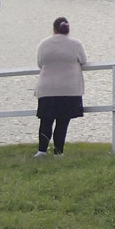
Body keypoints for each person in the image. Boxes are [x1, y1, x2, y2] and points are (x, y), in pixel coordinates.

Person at [33, 16, 87, 157]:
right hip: (69, 89)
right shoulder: (76, 44)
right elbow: (83, 60)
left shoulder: (44, 44)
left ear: (54, 29)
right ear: (68, 30)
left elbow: (40, 63)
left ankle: (42, 150)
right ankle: (58, 151)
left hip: (47, 88)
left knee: (46, 121)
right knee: (63, 122)